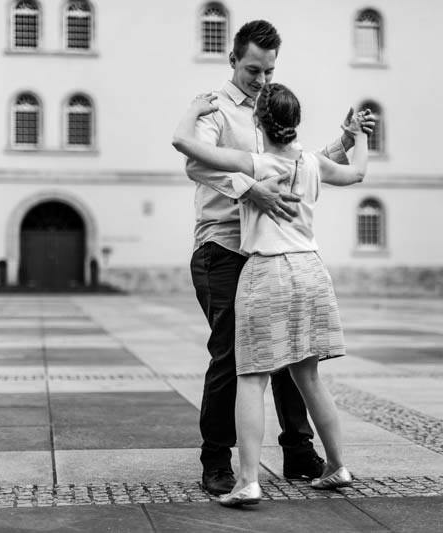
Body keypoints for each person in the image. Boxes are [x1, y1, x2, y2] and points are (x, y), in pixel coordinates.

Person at [184, 19, 374, 496]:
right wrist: (253, 192)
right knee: (232, 354)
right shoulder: (216, 109)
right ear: (233, 61)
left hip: (267, 256)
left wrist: (343, 144)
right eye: (253, 69)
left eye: (268, 71)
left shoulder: (270, 106)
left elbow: (293, 161)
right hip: (223, 247)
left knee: (291, 351)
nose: (261, 79)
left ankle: (299, 452)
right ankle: (217, 460)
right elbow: (194, 161)